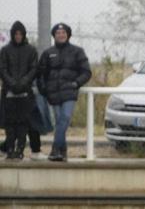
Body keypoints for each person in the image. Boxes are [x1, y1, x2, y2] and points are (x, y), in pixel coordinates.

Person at [36, 22, 90, 162]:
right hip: (53, 94)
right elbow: (41, 74)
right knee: (60, 122)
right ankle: (62, 151)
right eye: (58, 33)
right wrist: (44, 90)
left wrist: (76, 83)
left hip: (69, 92)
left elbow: (86, 72)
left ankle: (55, 148)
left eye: (63, 33)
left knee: (65, 118)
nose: (61, 35)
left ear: (68, 35)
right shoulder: (48, 53)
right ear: (54, 35)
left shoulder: (77, 51)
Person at [1, 21, 39, 161]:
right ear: (12, 34)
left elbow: (34, 69)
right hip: (8, 93)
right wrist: (12, 84)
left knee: (23, 123)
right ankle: (10, 149)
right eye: (16, 34)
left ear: (24, 35)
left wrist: (23, 83)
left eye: (20, 34)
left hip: (25, 93)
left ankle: (20, 150)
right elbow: (2, 69)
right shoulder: (5, 50)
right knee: (10, 124)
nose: (18, 36)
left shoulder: (31, 50)